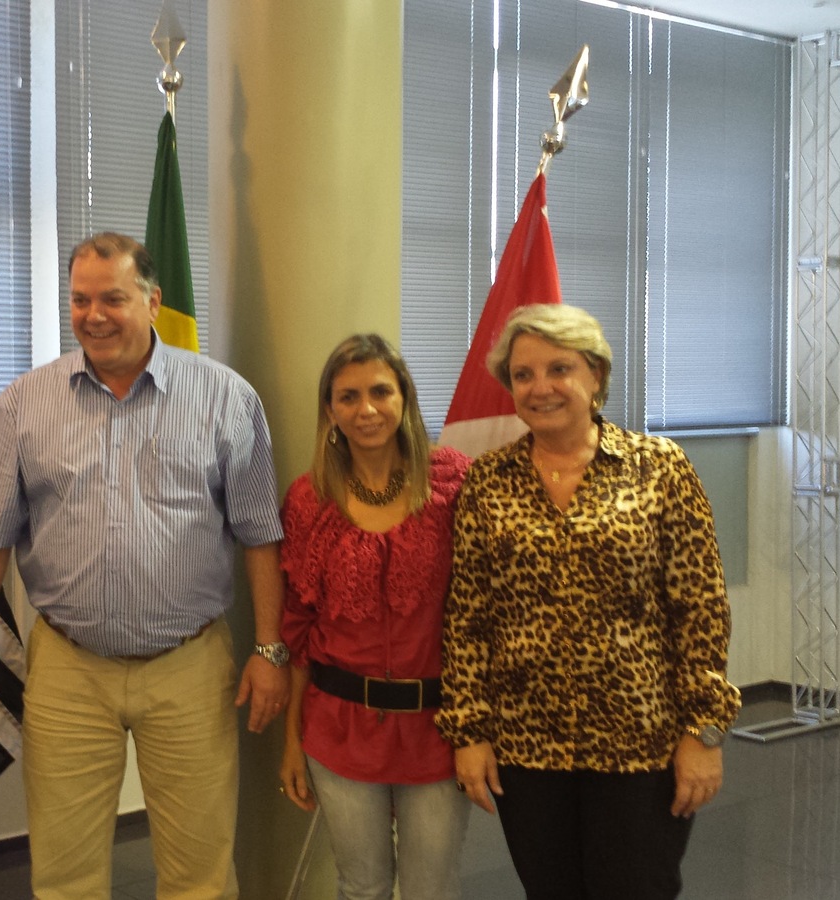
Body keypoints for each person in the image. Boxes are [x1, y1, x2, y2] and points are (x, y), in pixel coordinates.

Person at [0, 232, 287, 899]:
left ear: (153, 302)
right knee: (64, 875)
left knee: (200, 875)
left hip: (190, 666)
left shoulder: (226, 398)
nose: (93, 315)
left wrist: (270, 649)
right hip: (69, 669)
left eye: (112, 299)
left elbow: (260, 535)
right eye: (80, 300)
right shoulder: (23, 404)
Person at [438, 303, 741, 899]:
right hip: (527, 746)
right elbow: (468, 617)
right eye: (523, 375)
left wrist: (703, 731)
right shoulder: (488, 481)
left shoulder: (660, 469)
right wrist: (467, 731)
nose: (541, 387)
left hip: (640, 745)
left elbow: (701, 609)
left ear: (596, 375)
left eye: (560, 368)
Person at [277, 334, 472, 900]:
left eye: (381, 392)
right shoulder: (310, 500)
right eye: (349, 396)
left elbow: (482, 612)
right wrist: (291, 740)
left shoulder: (453, 483)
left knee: (431, 889)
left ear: (404, 397)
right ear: (330, 410)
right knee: (361, 887)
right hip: (339, 727)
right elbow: (299, 629)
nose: (367, 409)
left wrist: (479, 728)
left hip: (437, 728)